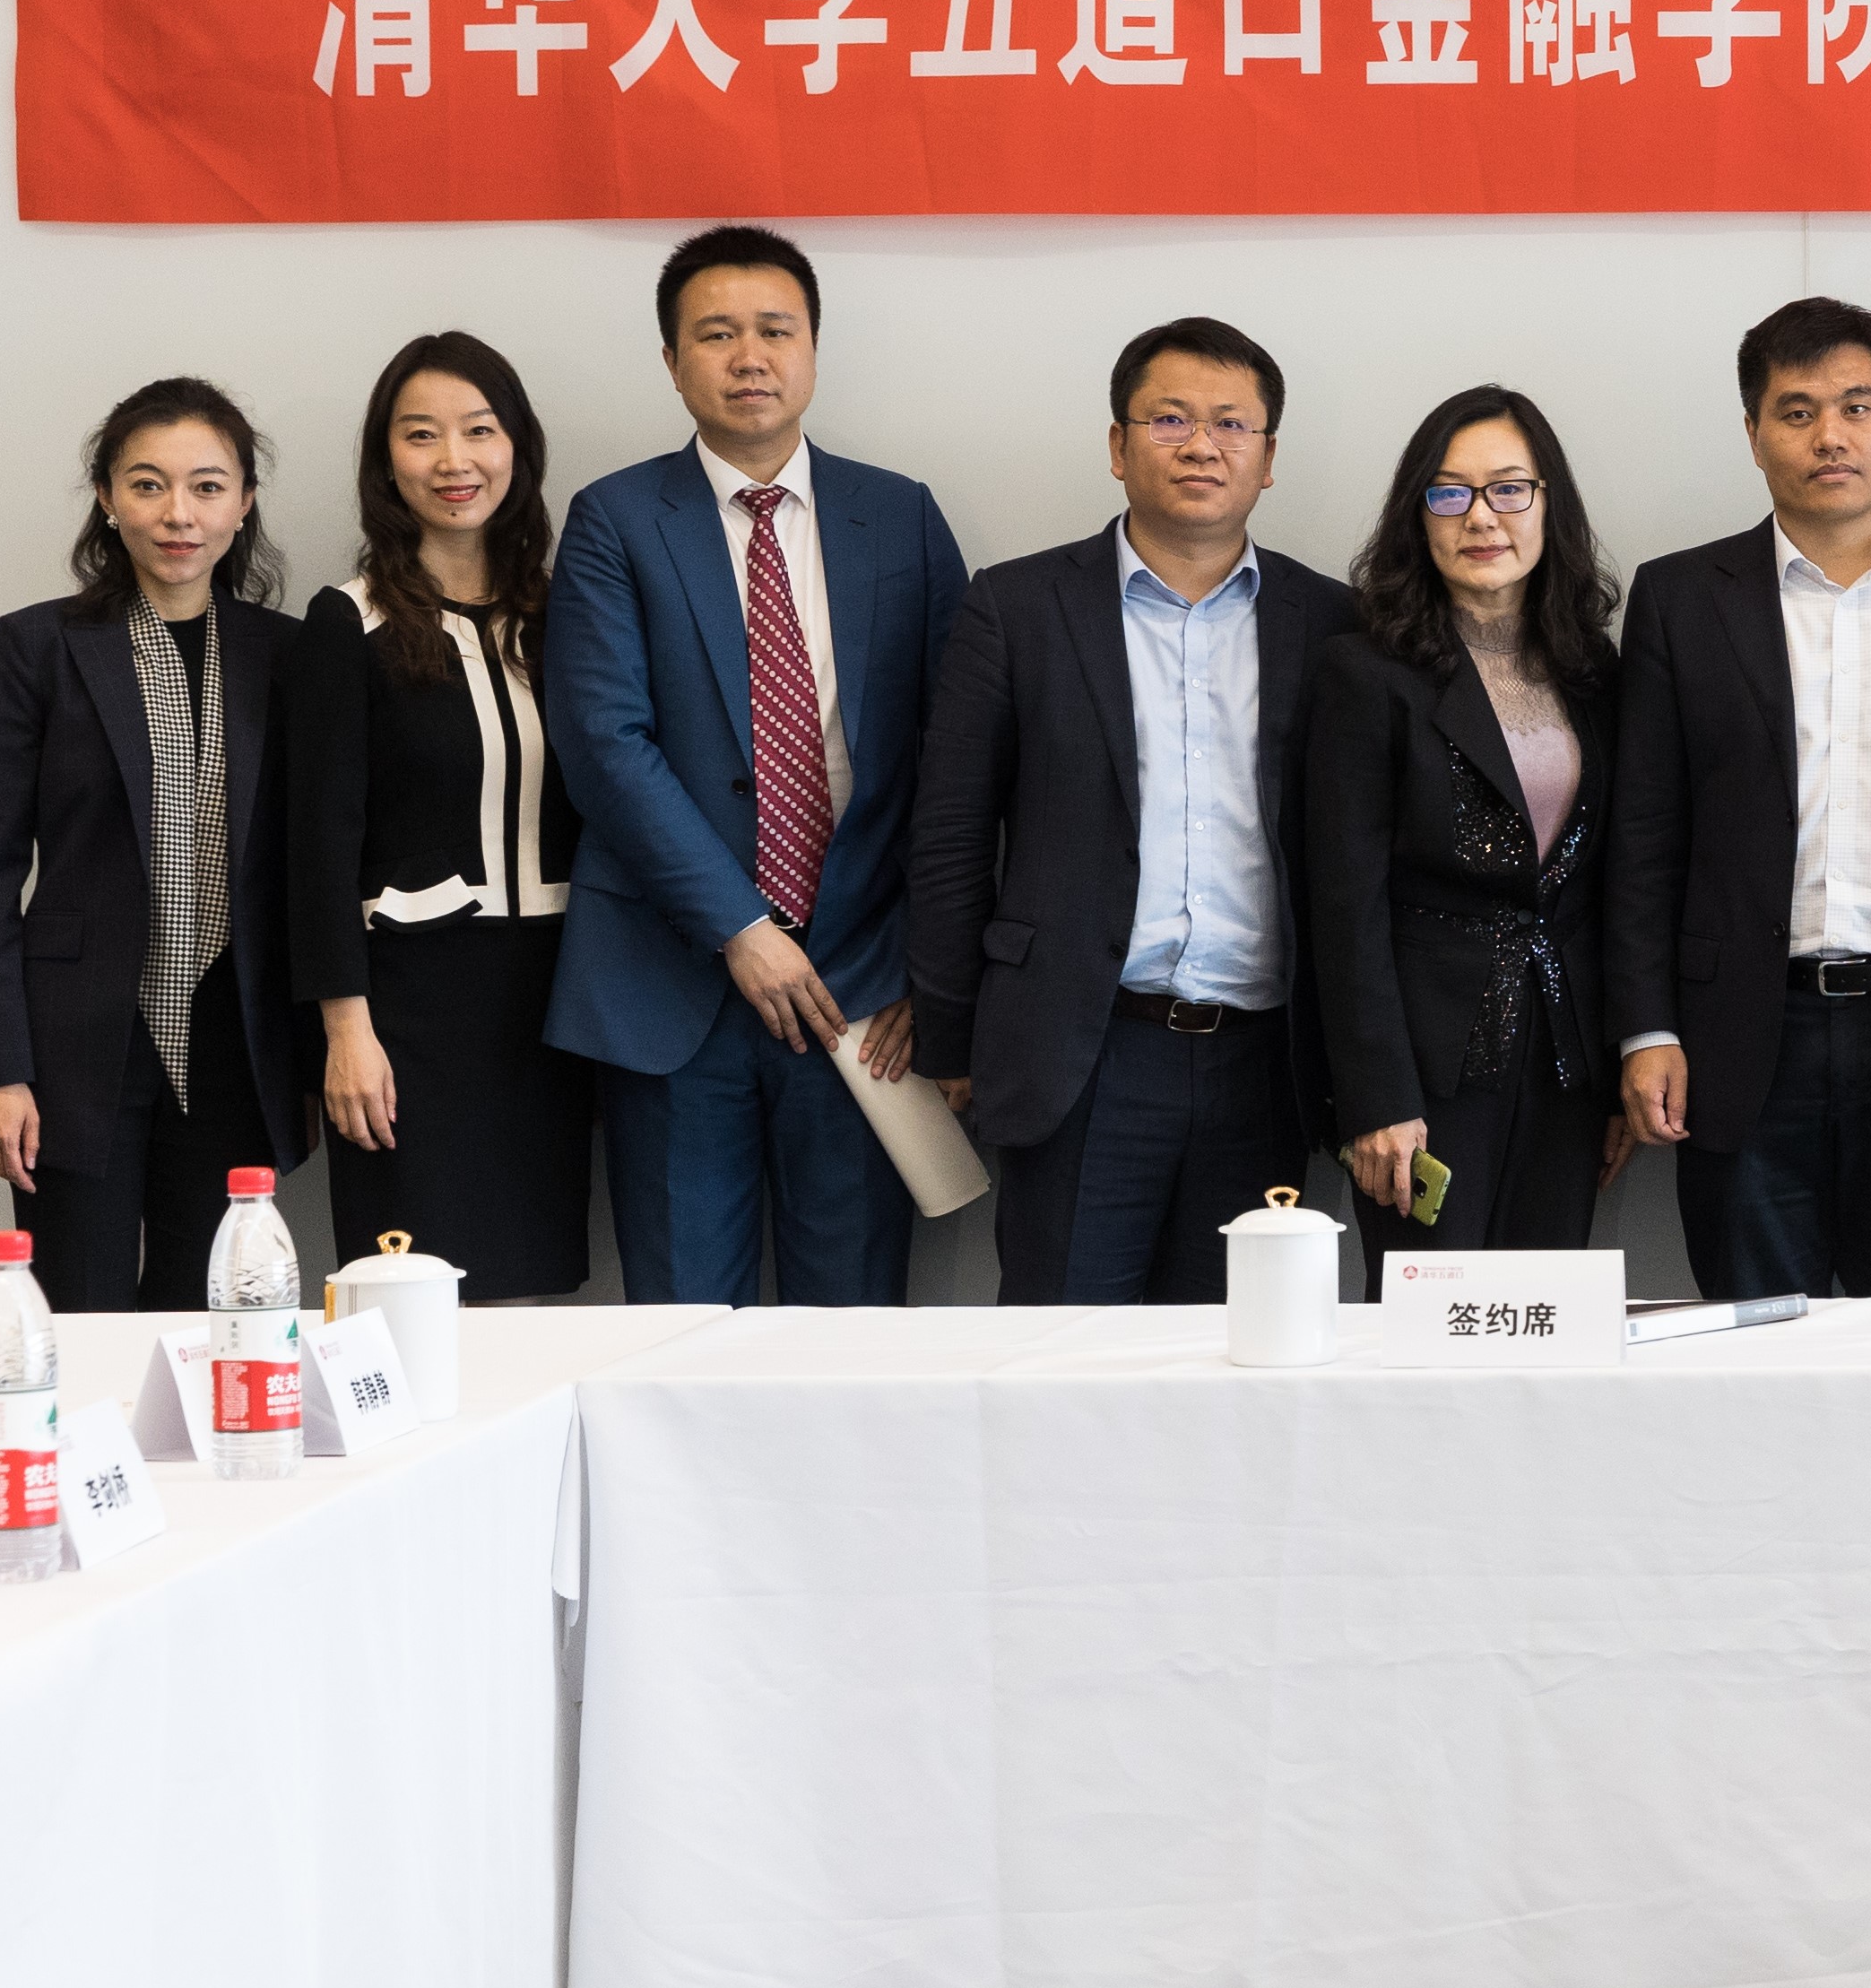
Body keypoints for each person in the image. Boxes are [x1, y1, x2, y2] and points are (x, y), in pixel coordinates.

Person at [545, 225, 970, 1306]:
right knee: (685, 1323)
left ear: (813, 349)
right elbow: (605, 744)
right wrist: (740, 926)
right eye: (717, 333)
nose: (749, 357)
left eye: (776, 330)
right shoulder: (614, 518)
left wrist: (930, 967)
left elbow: (958, 759)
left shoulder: (902, 514)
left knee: (853, 1323)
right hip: (673, 981)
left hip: (864, 989)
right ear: (671, 359)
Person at [908, 319, 1357, 1304]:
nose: (1202, 445)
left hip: (1267, 1062)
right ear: (1118, 445)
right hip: (1082, 1050)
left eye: (1232, 424)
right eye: (1170, 419)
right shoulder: (1017, 608)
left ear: (1268, 458)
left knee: (1241, 1349)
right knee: (1062, 1350)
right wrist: (954, 1036)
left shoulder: (1332, 623)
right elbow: (949, 837)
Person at [1605, 299, 1871, 1301]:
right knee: (1752, 1344)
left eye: (1856, 406)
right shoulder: (1680, 597)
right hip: (1739, 1037)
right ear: (1753, 432)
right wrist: (1647, 1028)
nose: (1830, 436)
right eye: (1797, 412)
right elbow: (1643, 837)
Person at [0, 378, 309, 1311]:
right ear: (108, 498)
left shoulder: (290, 654)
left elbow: (312, 864)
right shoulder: (38, 645)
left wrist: (316, 1054)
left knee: (211, 1320)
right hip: (75, 1044)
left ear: (244, 502)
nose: (177, 513)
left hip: (237, 1039)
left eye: (206, 486)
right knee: (79, 1315)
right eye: (148, 484)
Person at [284, 334, 597, 1297]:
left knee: (534, 1290)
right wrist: (345, 1030)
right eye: (421, 435)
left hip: (555, 1004)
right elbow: (316, 844)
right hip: (408, 1014)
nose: (453, 460)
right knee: (408, 1291)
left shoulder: (569, 614)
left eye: (479, 430)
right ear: (387, 461)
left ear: (519, 447)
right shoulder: (350, 620)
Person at [1305, 385, 1633, 1264]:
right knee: (1428, 1316)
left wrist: (1615, 1074)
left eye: (1509, 488)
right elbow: (1344, 905)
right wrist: (1376, 1096)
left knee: (1546, 1311)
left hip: (1565, 1062)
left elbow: (1610, 885)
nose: (1481, 516)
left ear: (1549, 503)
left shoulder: (1593, 669)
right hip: (1425, 1070)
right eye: (1449, 492)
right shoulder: (1365, 672)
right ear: (1418, 515)